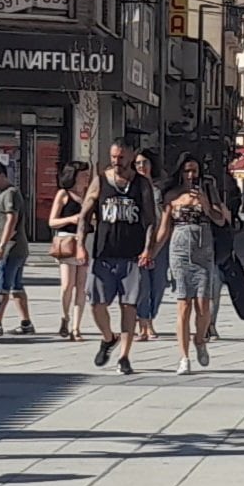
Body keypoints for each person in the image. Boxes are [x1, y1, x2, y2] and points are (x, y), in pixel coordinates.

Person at [77, 140, 157, 375]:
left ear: (131, 156)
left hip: (132, 256)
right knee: (96, 303)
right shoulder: (101, 181)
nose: (116, 162)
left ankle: (124, 356)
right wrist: (81, 246)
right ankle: (108, 337)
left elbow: (151, 220)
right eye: (113, 157)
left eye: (121, 157)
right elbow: (84, 215)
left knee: (128, 306)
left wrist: (147, 249)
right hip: (104, 254)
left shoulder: (141, 184)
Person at [156, 154, 232, 375]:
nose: (191, 175)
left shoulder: (208, 190)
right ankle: (184, 357)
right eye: (187, 171)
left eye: (194, 171)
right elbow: (164, 229)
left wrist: (207, 205)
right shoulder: (171, 196)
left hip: (204, 252)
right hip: (179, 252)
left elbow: (221, 219)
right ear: (180, 172)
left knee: (203, 306)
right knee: (183, 306)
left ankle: (200, 339)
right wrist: (150, 253)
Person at [0, 161, 35, 335]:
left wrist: (1, 245)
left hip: (11, 247)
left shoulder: (9, 194)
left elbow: (11, 221)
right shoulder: (6, 193)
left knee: (2, 287)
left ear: (2, 175)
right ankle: (26, 323)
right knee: (16, 286)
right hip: (18, 247)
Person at [48, 161, 90, 341]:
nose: (86, 178)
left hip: (86, 240)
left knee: (82, 287)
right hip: (67, 241)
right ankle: (65, 316)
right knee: (67, 285)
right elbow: (52, 221)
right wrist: (72, 218)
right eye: (83, 175)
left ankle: (76, 327)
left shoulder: (89, 195)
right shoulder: (63, 194)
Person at [132, 149, 167, 340]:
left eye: (144, 162)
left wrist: (155, 248)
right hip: (137, 243)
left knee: (158, 284)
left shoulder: (159, 189)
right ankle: (144, 322)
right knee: (141, 284)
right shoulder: (132, 188)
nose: (141, 167)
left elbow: (164, 219)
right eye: (137, 163)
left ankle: (151, 317)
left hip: (159, 243)